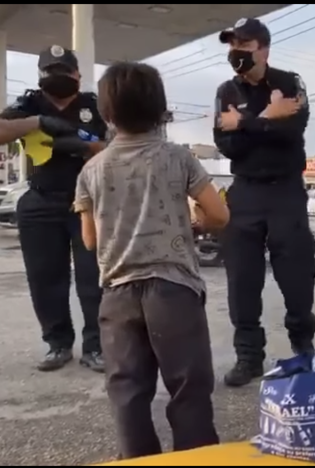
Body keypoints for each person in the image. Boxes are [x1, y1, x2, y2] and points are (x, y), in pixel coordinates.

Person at [74, 61, 228, 459]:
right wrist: (193, 223)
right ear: (161, 110)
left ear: (107, 114)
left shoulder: (91, 170)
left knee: (127, 391)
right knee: (188, 387)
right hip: (174, 289)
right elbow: (219, 215)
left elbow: (90, 241)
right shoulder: (177, 157)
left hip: (118, 293)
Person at [0, 45, 108, 372]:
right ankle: (57, 344)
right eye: (51, 72)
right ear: (41, 76)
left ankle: (96, 347)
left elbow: (121, 144)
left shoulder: (95, 105)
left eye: (64, 71)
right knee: (45, 278)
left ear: (77, 74)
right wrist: (38, 122)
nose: (58, 77)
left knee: (95, 278)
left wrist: (86, 146)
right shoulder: (30, 103)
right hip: (41, 199)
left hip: (88, 201)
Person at [213, 17, 315, 388]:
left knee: (297, 276)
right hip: (246, 192)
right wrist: (264, 120)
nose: (235, 53)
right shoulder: (226, 89)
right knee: (242, 278)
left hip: (285, 191)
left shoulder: (289, 82)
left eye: (243, 46)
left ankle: (303, 349)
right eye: (231, 46)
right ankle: (249, 357)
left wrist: (243, 123)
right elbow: (226, 145)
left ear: (264, 50)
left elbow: (293, 130)